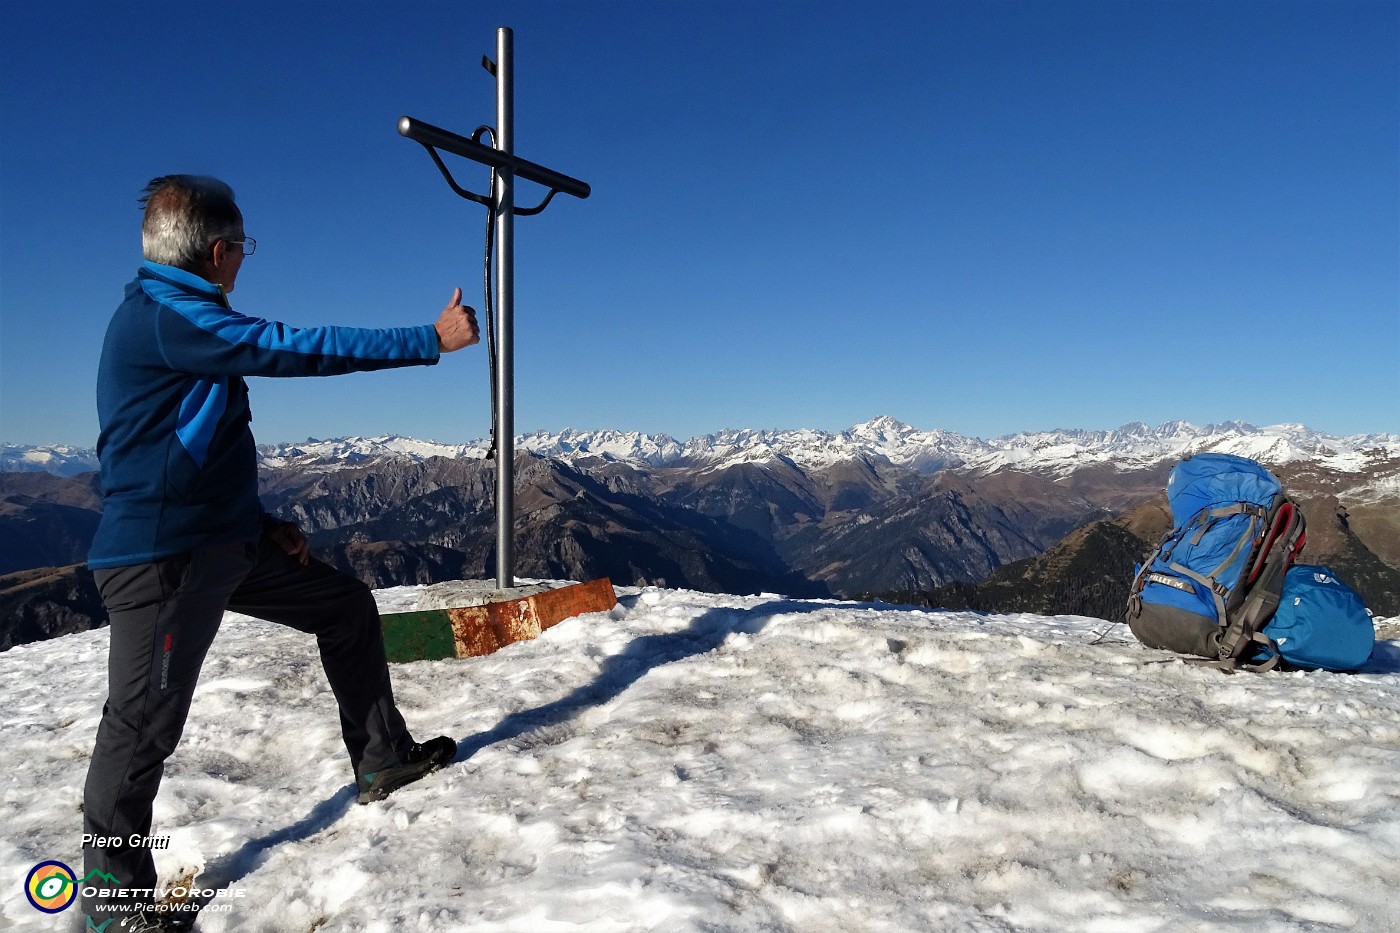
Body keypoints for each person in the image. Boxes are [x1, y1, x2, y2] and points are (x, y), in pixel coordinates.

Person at [82, 175, 480, 931]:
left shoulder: (175, 319)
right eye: (244, 249)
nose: (244, 263)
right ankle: (113, 905)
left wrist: (260, 524)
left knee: (346, 607)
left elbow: (184, 448)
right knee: (140, 727)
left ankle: (381, 756)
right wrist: (429, 340)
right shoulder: (170, 317)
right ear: (221, 250)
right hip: (166, 561)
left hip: (218, 543)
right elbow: (291, 346)